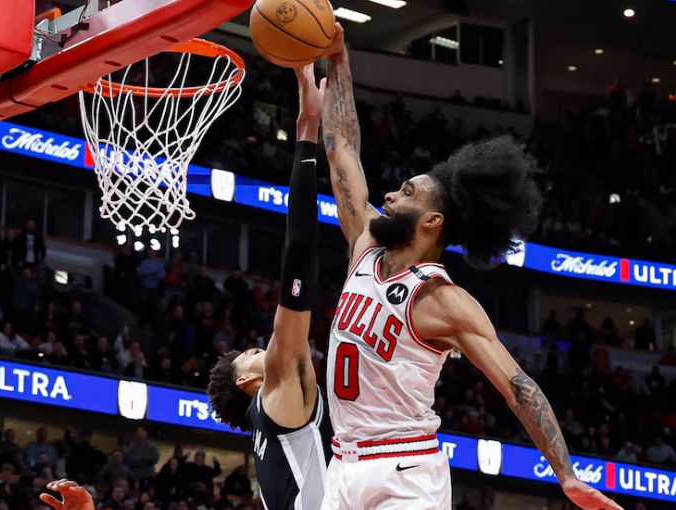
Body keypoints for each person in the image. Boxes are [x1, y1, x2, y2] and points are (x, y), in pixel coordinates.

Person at [319, 24, 620, 510]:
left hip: (405, 472)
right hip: (342, 465)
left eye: (408, 192)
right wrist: (339, 60)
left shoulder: (443, 299)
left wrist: (565, 475)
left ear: (432, 222)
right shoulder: (365, 245)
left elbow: (518, 385)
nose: (391, 195)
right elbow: (341, 152)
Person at [207, 62, 326, 510]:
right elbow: (299, 251)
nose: (266, 347)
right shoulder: (276, 391)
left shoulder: (267, 435)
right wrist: (306, 134)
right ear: (249, 381)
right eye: (255, 353)